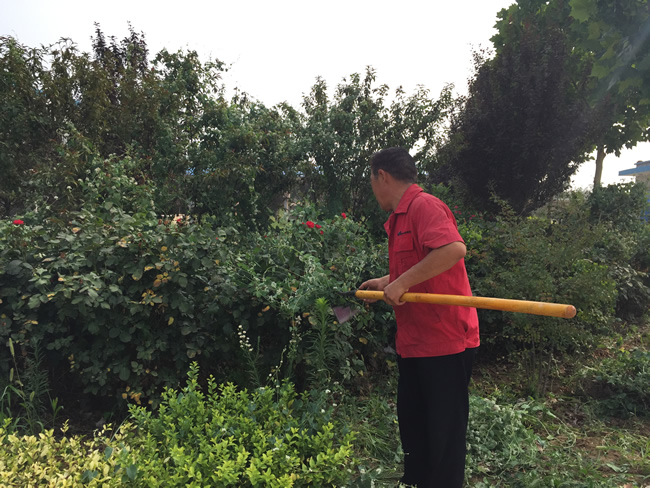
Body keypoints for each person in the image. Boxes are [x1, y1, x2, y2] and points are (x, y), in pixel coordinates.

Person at [360, 147, 479, 488]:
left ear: (382, 176)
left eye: (371, 180)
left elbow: (453, 249)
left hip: (445, 341)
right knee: (415, 425)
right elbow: (420, 266)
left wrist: (401, 282)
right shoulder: (400, 217)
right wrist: (388, 280)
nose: (372, 188)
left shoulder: (424, 206)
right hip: (415, 340)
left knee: (443, 433)